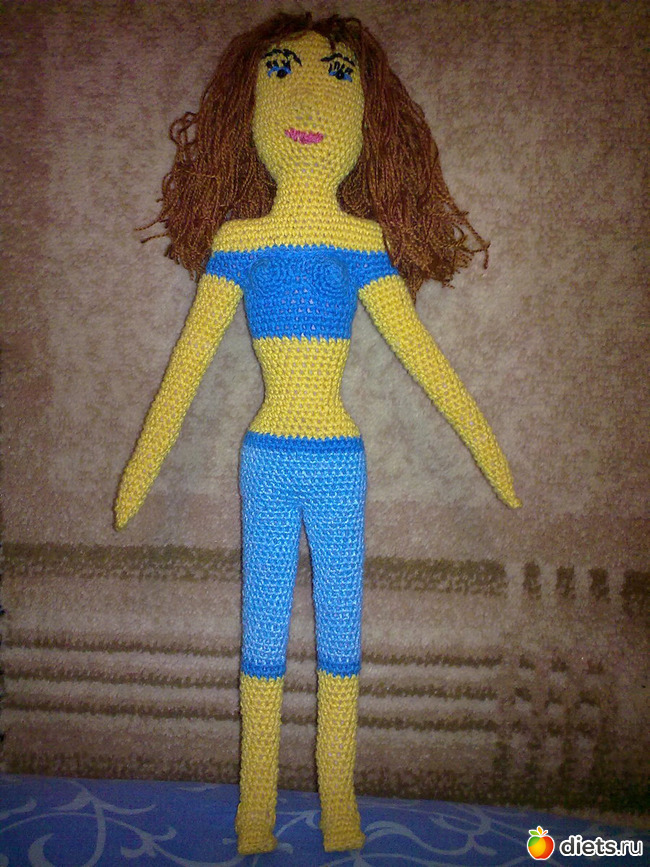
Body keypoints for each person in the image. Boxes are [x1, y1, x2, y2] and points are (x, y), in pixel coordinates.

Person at [115, 13, 521, 855]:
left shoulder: (361, 241)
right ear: (247, 109)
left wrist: (487, 448)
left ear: (368, 118)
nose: (306, 101)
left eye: (337, 77)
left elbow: (425, 358)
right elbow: (184, 370)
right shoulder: (240, 242)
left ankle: (340, 801)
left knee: (342, 636)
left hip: (337, 461)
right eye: (281, 73)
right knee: (261, 637)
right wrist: (140, 471)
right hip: (266, 460)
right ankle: (254, 811)